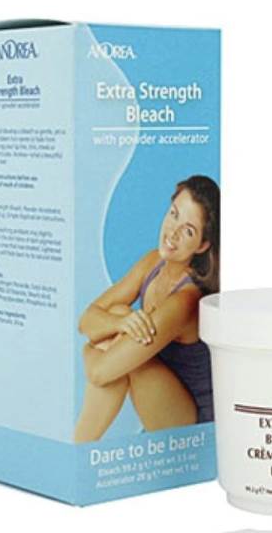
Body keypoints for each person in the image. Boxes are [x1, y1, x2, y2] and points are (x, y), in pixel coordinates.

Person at [74, 175, 220, 443]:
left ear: (202, 245)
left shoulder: (186, 301)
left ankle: (79, 445)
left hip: (192, 421)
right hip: (161, 387)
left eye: (188, 231)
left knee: (123, 353)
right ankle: (79, 446)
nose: (172, 233)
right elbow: (85, 320)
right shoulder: (153, 262)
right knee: (120, 315)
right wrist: (118, 324)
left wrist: (89, 350)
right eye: (173, 214)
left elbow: (99, 372)